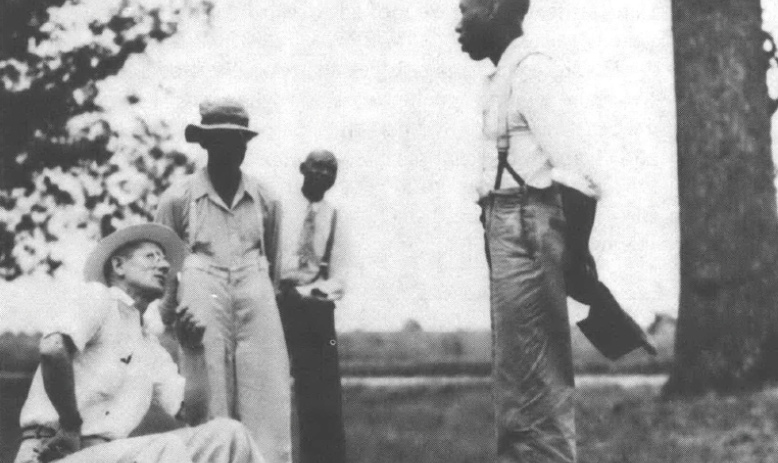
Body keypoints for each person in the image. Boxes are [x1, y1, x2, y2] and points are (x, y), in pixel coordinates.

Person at [456, 0, 602, 461]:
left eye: (466, 10)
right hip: (508, 227)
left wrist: (574, 257)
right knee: (518, 395)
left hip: (527, 229)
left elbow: (578, 177)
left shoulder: (532, 72)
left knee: (538, 394)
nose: (459, 24)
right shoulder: (502, 77)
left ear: (496, 8)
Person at [14, 223, 265, 463]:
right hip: (52, 451)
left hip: (109, 454)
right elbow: (53, 348)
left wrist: (193, 350)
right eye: (152, 257)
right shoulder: (97, 298)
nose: (165, 265)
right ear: (119, 265)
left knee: (229, 434)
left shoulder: (149, 345)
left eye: (164, 259)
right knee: (167, 449)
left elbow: (193, 415)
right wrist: (70, 426)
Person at [154, 98, 291, 463]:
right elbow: (166, 265)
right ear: (206, 144)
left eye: (239, 141)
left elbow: (274, 262)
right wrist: (166, 318)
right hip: (201, 288)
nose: (232, 150)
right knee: (208, 389)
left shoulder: (265, 198)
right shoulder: (179, 197)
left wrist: (262, 295)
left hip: (254, 287)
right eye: (222, 141)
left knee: (267, 392)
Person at [278, 150, 348, 463]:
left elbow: (341, 274)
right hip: (277, 302)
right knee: (272, 388)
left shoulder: (334, 216)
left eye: (330, 170)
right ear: (302, 168)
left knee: (321, 395)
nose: (323, 174)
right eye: (317, 167)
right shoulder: (279, 208)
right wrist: (281, 290)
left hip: (315, 308)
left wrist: (312, 293)